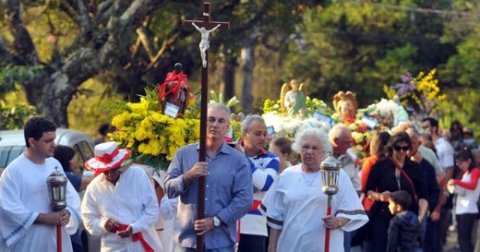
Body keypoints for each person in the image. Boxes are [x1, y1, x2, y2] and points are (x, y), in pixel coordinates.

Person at [261, 128, 368, 252]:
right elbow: (275, 217)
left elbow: (351, 209)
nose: (309, 152)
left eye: (315, 148)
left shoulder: (337, 174)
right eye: (305, 147)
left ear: (324, 152)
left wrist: (338, 221)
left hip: (325, 247)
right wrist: (272, 247)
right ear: (298, 150)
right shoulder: (287, 175)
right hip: (290, 246)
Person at [164, 102, 253, 251]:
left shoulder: (238, 160)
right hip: (187, 242)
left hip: (220, 243)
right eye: (211, 119)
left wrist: (216, 220)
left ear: (227, 127)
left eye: (221, 121)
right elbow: (168, 189)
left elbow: (244, 200)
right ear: (202, 123)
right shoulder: (184, 154)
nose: (215, 125)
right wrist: (188, 176)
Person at [0, 117, 81, 251]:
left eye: (53, 139)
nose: (54, 145)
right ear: (32, 142)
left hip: (56, 240)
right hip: (30, 242)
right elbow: (7, 208)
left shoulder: (54, 164)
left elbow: (70, 196)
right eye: (48, 141)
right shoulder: (14, 171)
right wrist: (44, 218)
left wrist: (67, 212)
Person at [81, 141, 162, 251]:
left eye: (114, 169)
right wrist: (104, 224)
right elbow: (88, 219)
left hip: (142, 245)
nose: (110, 174)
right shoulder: (94, 187)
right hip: (112, 247)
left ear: (120, 163)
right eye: (106, 171)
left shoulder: (138, 175)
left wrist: (134, 228)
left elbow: (152, 210)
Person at [365, 131, 428, 252]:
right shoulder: (380, 165)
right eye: (398, 148)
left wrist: (419, 219)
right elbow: (368, 191)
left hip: (408, 218)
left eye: (405, 148)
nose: (401, 152)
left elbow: (423, 196)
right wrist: (380, 197)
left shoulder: (414, 167)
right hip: (383, 215)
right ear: (391, 147)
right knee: (382, 247)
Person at [237, 115, 279, 252]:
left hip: (255, 228)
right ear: (244, 134)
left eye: (265, 134)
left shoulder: (271, 159)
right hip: (227, 225)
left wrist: (242, 158)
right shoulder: (229, 155)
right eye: (258, 134)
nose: (262, 138)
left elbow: (264, 184)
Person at [54, 145, 94, 252]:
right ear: (66, 160)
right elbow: (87, 182)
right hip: (68, 230)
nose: (76, 160)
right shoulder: (65, 176)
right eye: (74, 157)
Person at [328, 124, 362, 252]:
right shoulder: (321, 154)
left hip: (343, 213)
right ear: (336, 141)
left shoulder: (349, 158)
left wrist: (350, 207)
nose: (349, 146)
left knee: (343, 245)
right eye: (347, 142)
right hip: (322, 211)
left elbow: (357, 185)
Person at [422, 117, 455, 245]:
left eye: (426, 127)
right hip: (430, 189)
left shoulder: (444, 146)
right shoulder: (426, 144)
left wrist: (443, 190)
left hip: (439, 189)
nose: (423, 130)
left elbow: (449, 169)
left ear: (434, 128)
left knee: (437, 223)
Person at [448, 147, 480, 252]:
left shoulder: (475, 171)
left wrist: (456, 182)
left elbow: (472, 185)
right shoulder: (465, 174)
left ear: (469, 161)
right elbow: (464, 190)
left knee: (465, 240)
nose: (460, 166)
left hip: (469, 208)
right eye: (458, 163)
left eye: (462, 163)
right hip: (461, 208)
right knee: (461, 239)